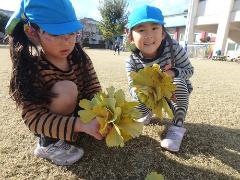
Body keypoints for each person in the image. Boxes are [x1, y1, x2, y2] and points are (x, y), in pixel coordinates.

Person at [5, 0, 103, 166]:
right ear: (32, 32)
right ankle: (47, 144)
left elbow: (93, 88)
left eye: (71, 33)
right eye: (56, 34)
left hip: (74, 116)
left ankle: (70, 130)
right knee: (67, 90)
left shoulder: (80, 58)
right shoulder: (33, 68)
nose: (66, 41)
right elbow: (33, 118)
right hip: (48, 122)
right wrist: (80, 124)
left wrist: (103, 114)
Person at [125, 5, 194, 152]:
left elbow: (189, 70)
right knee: (135, 106)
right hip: (149, 97)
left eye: (155, 28)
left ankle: (177, 126)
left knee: (178, 83)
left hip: (173, 94)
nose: (149, 35)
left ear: (163, 33)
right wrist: (143, 92)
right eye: (141, 29)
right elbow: (132, 86)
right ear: (130, 36)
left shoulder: (173, 48)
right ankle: (147, 112)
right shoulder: (132, 61)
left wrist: (172, 73)